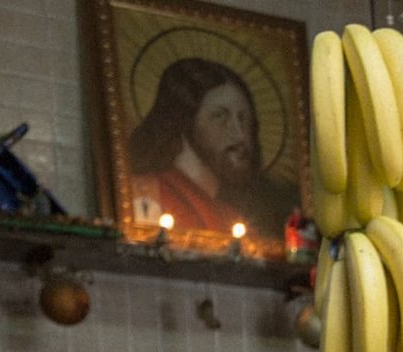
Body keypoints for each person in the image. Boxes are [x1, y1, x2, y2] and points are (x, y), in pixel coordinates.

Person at [126, 56, 294, 237]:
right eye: (220, 116)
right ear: (185, 120)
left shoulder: (232, 217)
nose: (240, 134)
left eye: (243, 118)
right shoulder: (149, 195)